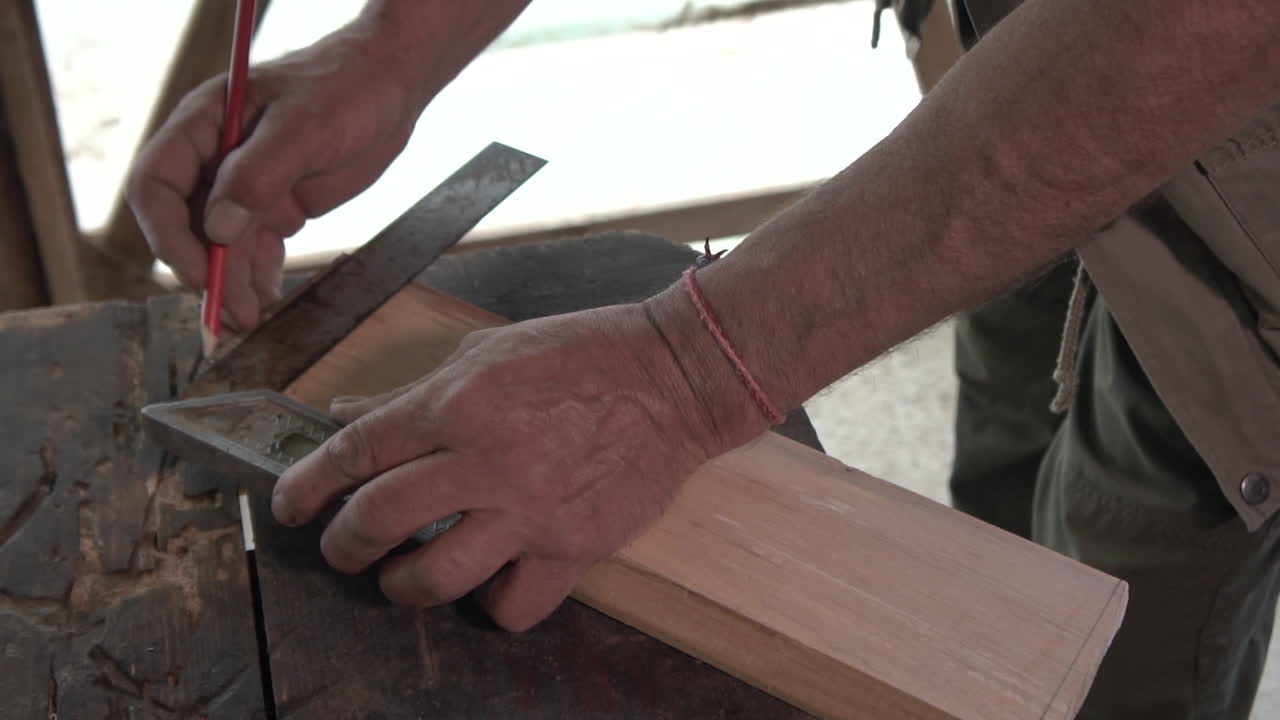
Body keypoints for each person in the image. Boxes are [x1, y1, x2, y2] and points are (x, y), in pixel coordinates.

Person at [128, 1, 1280, 717]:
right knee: (993, 470)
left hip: (1232, 175)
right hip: (1024, 65)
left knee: (1080, 636)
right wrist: (395, 46)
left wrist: (684, 370)